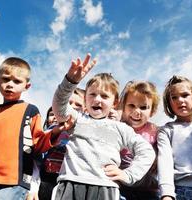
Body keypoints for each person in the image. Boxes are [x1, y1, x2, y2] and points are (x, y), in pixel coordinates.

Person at [51, 53, 155, 200]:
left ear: (115, 103)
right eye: (92, 94)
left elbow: (146, 152)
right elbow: (59, 108)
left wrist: (129, 174)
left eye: (105, 96)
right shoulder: (77, 120)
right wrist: (70, 82)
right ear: (85, 98)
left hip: (105, 188)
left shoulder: (121, 129)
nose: (97, 99)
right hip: (70, 183)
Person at [0, 57, 67, 200]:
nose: (10, 85)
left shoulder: (30, 110)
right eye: (5, 79)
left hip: (12, 182)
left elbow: (38, 143)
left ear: (27, 86)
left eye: (17, 81)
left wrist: (55, 132)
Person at [37, 88, 85, 200]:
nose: (73, 106)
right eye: (69, 103)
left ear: (85, 109)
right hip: (47, 178)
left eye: (78, 104)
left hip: (71, 179)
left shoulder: (84, 131)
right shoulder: (53, 128)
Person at [118, 80, 160, 200]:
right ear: (123, 106)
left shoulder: (155, 131)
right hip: (120, 185)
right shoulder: (118, 127)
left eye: (143, 107)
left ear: (152, 111)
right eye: (131, 106)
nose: (137, 112)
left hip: (146, 188)